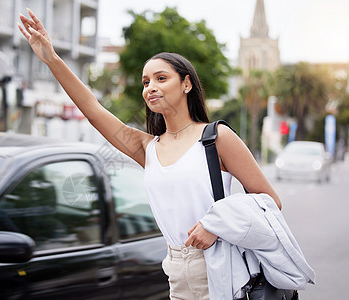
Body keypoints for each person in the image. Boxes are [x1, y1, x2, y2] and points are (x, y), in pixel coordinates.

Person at [18, 9, 282, 299]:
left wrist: (215, 225)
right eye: (146, 82)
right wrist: (52, 59)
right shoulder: (148, 148)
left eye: (160, 78)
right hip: (176, 271)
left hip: (220, 266)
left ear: (186, 83)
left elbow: (270, 201)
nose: (151, 87)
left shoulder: (216, 138)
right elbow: (93, 110)